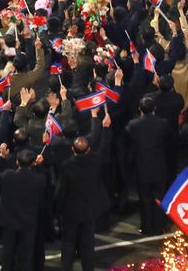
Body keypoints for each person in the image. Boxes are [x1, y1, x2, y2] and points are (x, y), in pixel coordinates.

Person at [57, 114, 111, 271]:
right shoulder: (95, 162)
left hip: (70, 210)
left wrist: (57, 209)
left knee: (68, 243)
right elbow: (104, 147)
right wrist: (105, 128)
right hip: (89, 209)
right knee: (87, 243)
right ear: (88, 150)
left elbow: (61, 190)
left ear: (72, 150)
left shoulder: (66, 166)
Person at [0, 147, 47, 271]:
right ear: (32, 163)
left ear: (17, 162)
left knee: (7, 254)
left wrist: (1, 156)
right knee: (26, 256)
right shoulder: (38, 180)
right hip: (28, 223)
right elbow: (43, 177)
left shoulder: (8, 175)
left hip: (9, 222)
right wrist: (39, 166)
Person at [125, 97, 171, 235]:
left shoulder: (133, 125)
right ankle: (160, 226)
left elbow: (128, 143)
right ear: (154, 109)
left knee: (145, 199)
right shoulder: (163, 123)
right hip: (159, 166)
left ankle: (147, 227)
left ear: (140, 110)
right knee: (160, 198)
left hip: (142, 167)